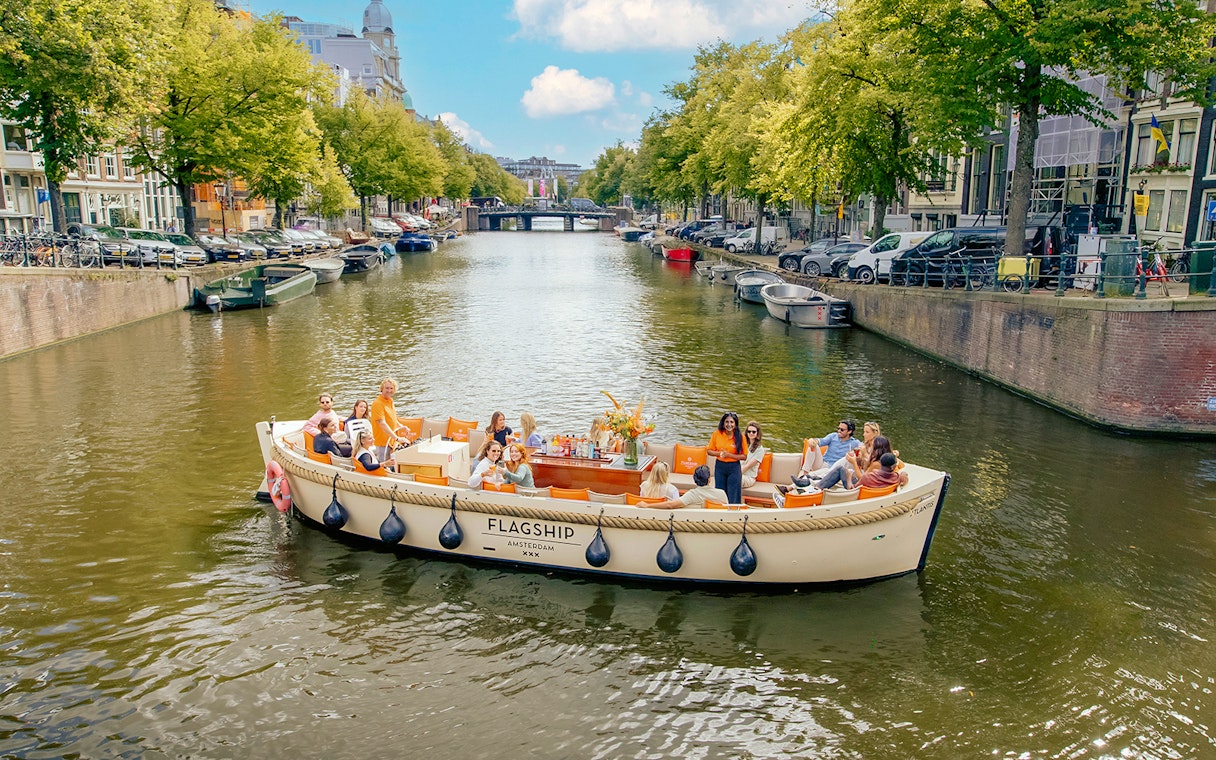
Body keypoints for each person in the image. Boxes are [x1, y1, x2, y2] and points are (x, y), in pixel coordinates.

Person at [641, 465, 728, 510]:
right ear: (709, 480)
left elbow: (670, 505)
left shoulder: (692, 494)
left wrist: (647, 505)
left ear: (694, 479)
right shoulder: (722, 493)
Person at [708, 412, 747, 504]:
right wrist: (719, 454)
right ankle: (720, 514)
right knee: (720, 492)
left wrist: (729, 455)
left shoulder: (741, 437)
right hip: (720, 467)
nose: (729, 424)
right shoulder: (716, 434)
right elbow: (709, 451)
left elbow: (744, 456)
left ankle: (733, 514)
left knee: (733, 494)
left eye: (732, 422)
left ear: (735, 424)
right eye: (727, 422)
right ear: (723, 423)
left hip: (734, 468)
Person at [370, 378, 412, 460]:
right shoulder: (378, 403)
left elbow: (392, 417)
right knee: (384, 464)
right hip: (382, 441)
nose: (389, 390)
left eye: (391, 388)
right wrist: (396, 438)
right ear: (382, 389)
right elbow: (382, 423)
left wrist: (401, 426)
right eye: (387, 388)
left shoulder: (390, 401)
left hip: (391, 441)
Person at [739, 421, 767, 490]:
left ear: (757, 433)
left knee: (733, 478)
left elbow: (747, 466)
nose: (751, 433)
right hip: (738, 473)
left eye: (753, 432)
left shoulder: (760, 449)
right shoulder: (742, 445)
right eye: (749, 431)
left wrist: (734, 473)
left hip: (749, 477)